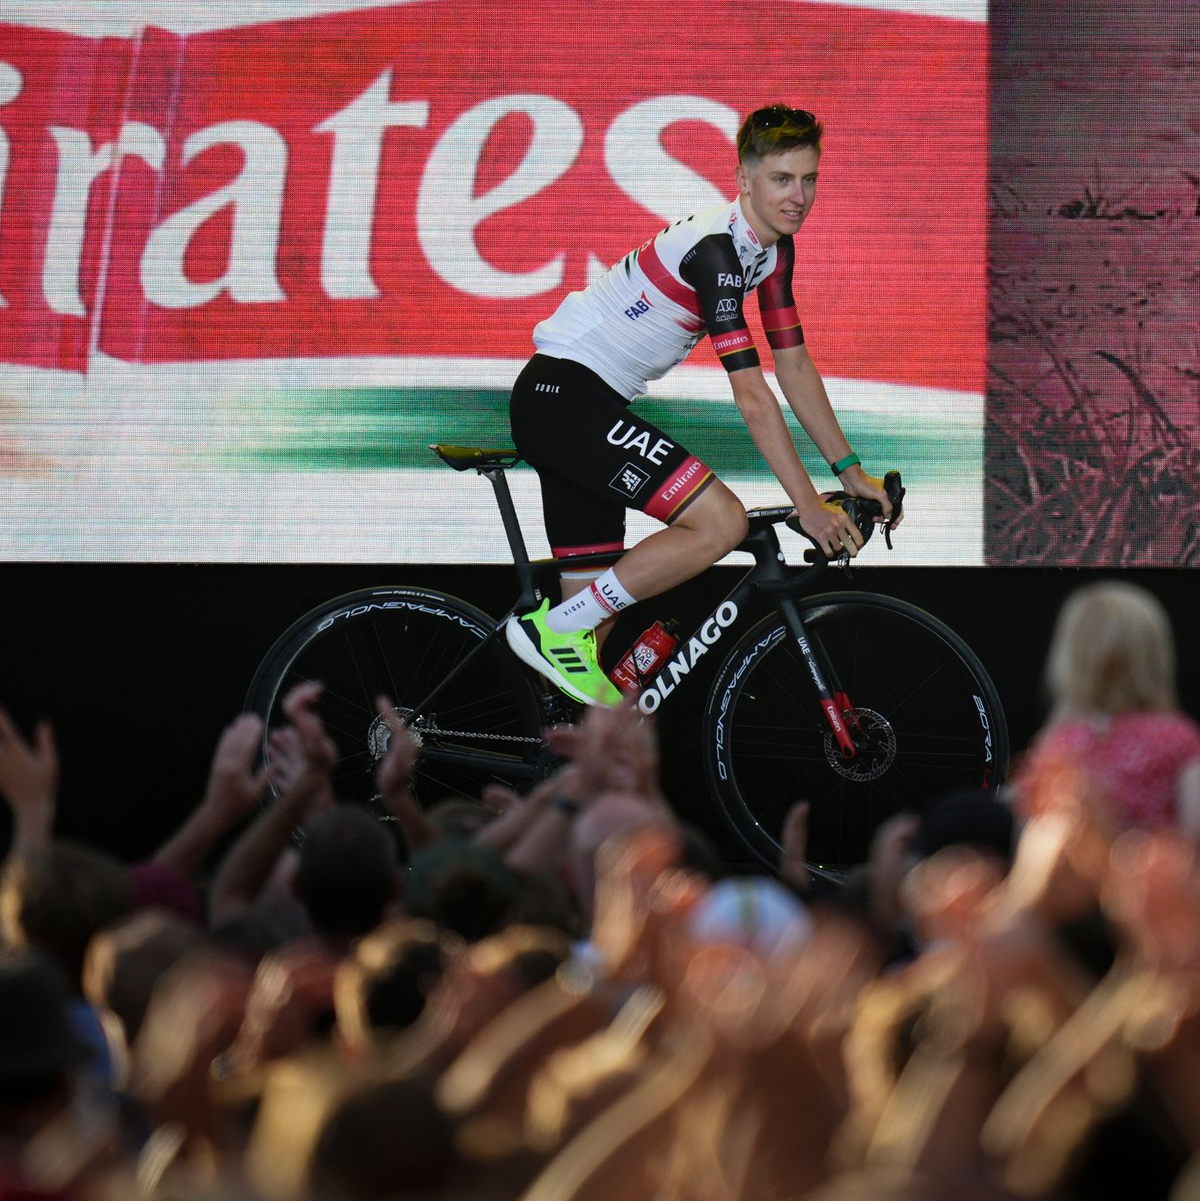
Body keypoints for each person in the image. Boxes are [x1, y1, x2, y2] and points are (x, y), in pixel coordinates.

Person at [505, 104, 898, 706]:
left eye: (809, 178)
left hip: (579, 404)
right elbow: (752, 394)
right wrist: (807, 503)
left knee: (589, 652)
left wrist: (849, 472)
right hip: (565, 399)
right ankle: (551, 628)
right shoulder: (716, 251)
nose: (798, 196)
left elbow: (792, 365)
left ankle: (549, 773)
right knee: (720, 521)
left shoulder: (770, 253)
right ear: (744, 179)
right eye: (781, 179)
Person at [1019, 580, 1200, 832]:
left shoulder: (1055, 745)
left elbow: (1030, 840)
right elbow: (1193, 838)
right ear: (1154, 658)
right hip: (1155, 870)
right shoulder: (1179, 740)